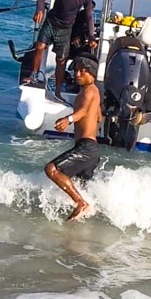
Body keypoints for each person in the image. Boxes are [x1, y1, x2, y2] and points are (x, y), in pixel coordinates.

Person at [45, 56, 102, 220]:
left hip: (86, 147)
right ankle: (80, 221)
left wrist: (68, 119)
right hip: (92, 149)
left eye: (81, 71)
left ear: (90, 72)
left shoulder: (90, 90)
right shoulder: (94, 92)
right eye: (76, 70)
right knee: (81, 185)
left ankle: (80, 203)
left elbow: (83, 111)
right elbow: (98, 117)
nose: (77, 74)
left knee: (52, 169)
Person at [30, 0, 95, 84]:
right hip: (51, 22)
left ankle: (58, 92)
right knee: (40, 47)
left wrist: (91, 36)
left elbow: (89, 16)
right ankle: (33, 75)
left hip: (66, 29)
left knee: (61, 60)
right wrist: (39, 9)